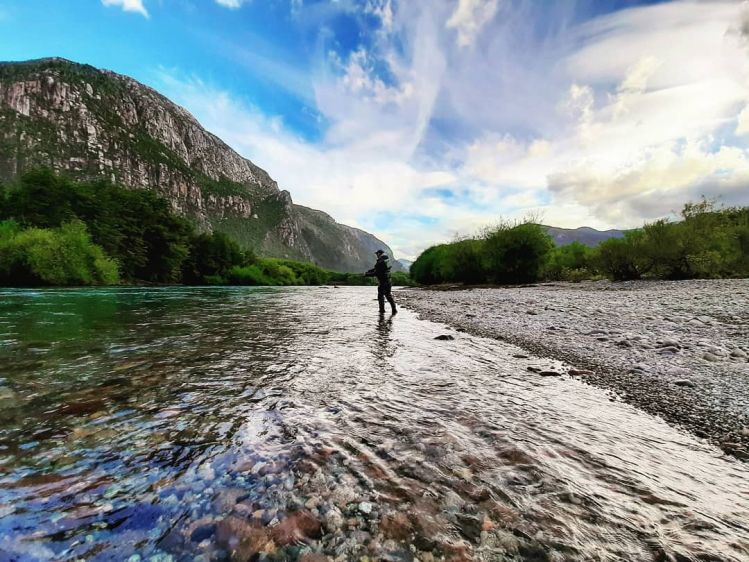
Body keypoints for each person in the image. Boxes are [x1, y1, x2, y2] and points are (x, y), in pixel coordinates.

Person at [365, 249, 397, 314]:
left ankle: (382, 311)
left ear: (379, 254)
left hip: (382, 282)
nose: (376, 255)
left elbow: (377, 272)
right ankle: (394, 310)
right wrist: (369, 271)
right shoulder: (386, 261)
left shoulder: (380, 261)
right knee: (388, 295)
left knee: (380, 296)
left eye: (377, 254)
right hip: (388, 281)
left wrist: (367, 274)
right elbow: (377, 269)